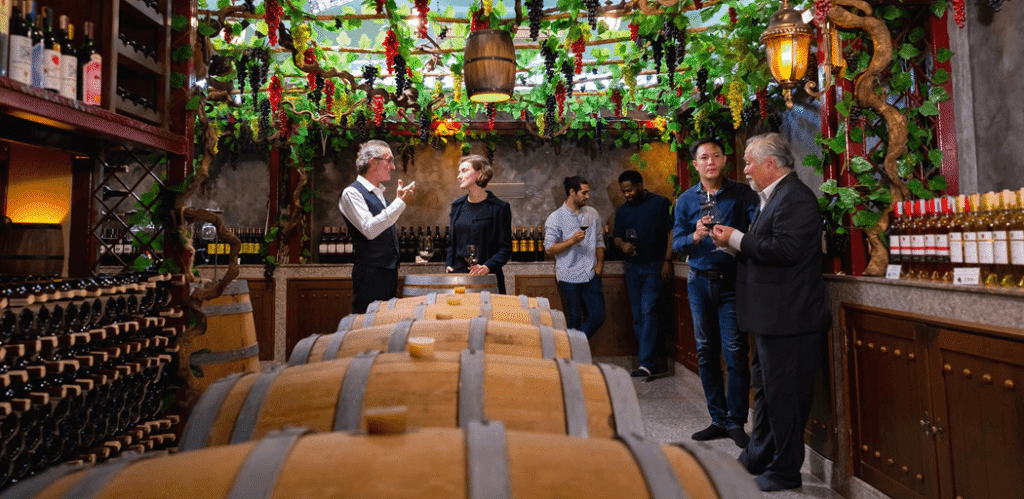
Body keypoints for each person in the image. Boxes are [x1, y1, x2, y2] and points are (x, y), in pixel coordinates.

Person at [710, 133, 831, 492]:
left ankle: (785, 470)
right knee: (765, 392)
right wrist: (731, 243)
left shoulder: (796, 199)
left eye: (749, 162)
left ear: (770, 164)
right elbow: (766, 250)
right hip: (771, 318)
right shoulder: (773, 197)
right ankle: (759, 454)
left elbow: (785, 250)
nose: (744, 169)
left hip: (791, 319)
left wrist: (735, 238)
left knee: (786, 398)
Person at [673, 137, 759, 448]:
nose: (710, 161)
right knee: (706, 350)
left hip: (732, 282)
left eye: (716, 155)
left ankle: (736, 421)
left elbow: (758, 232)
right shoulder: (685, 201)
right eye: (704, 157)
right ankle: (717, 418)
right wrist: (694, 236)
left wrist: (734, 239)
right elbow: (676, 244)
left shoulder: (742, 194)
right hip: (698, 281)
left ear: (724, 160)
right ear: (694, 164)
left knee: (735, 351)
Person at [339, 140, 415, 313]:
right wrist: (398, 204)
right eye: (389, 160)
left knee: (384, 327)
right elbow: (370, 229)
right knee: (367, 328)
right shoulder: (351, 193)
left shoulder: (381, 196)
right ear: (373, 162)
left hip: (388, 273)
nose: (393, 167)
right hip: (370, 275)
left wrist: (394, 204)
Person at [613, 170, 674, 378]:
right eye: (623, 192)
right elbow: (617, 238)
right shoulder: (622, 211)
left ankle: (646, 363)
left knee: (648, 312)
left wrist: (667, 260)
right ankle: (651, 361)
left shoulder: (660, 203)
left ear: (640, 185)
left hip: (654, 266)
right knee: (638, 317)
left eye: (629, 190)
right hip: (631, 268)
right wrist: (623, 246)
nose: (626, 195)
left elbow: (671, 232)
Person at [544, 176, 606, 338]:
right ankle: (573, 359)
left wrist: (599, 266)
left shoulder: (592, 214)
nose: (587, 196)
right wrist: (571, 241)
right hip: (569, 275)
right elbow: (549, 249)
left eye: (588, 193)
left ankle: (570, 348)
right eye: (584, 193)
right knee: (574, 319)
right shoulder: (555, 218)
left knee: (598, 318)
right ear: (572, 192)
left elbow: (599, 241)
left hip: (591, 274)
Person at [445, 155, 512, 294]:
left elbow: (505, 249)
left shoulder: (499, 208)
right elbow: (452, 243)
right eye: (459, 171)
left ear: (479, 173)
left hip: (488, 279)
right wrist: (449, 264)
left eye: (464, 170)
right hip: (459, 280)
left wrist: (487, 266)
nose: (459, 176)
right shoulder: (457, 207)